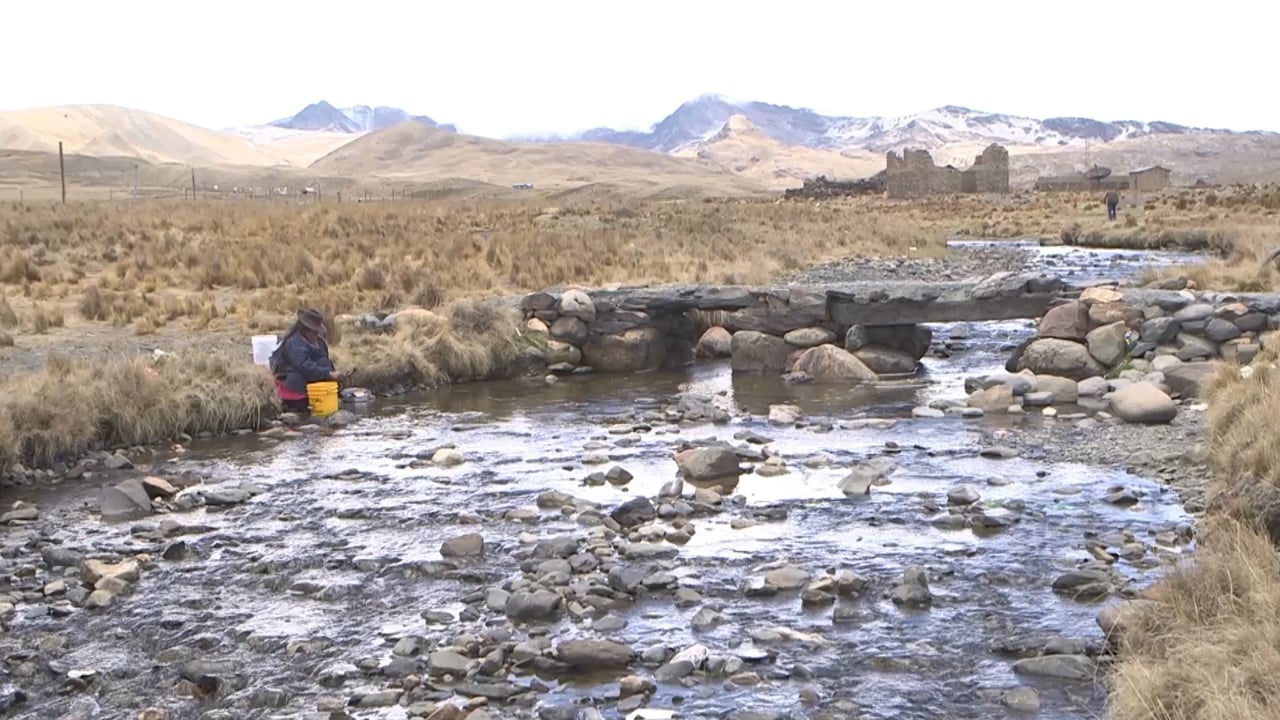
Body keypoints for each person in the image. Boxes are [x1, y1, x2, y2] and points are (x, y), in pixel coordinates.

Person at [269, 308, 341, 412]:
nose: (317, 335)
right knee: (297, 377)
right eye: (314, 333)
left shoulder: (319, 342)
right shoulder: (293, 343)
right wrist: (328, 374)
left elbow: (324, 359)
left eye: (318, 333)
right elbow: (305, 366)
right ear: (305, 331)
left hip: (310, 377)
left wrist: (332, 375)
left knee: (324, 363)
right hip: (291, 377)